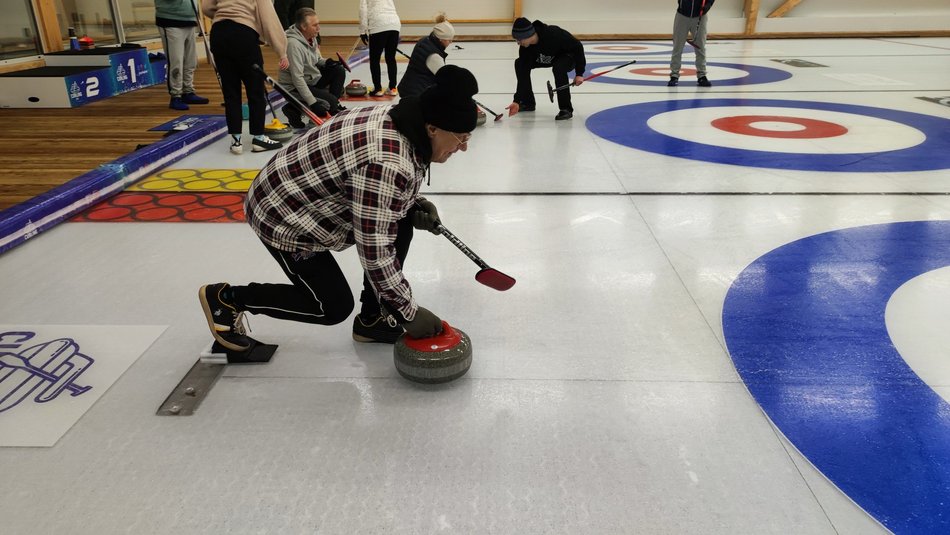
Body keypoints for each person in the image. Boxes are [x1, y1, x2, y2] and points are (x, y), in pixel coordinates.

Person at [198, 65, 480, 352]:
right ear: (432, 128)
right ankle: (228, 299)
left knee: (402, 220)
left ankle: (372, 318)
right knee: (331, 307)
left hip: (307, 193)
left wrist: (414, 202)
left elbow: (375, 186)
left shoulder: (407, 119)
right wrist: (408, 312)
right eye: (461, 138)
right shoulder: (386, 163)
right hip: (282, 213)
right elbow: (375, 250)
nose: (463, 147)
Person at [201, 0, 290, 155]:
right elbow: (268, 18)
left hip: (218, 33)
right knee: (255, 90)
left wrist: (224, 14)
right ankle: (259, 137)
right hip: (243, 33)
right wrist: (282, 50)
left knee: (230, 92)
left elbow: (206, 7)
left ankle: (236, 141)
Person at [505, 17, 586, 121]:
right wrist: (516, 100)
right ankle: (527, 102)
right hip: (546, 59)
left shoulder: (553, 33)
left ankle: (566, 109)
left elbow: (577, 47)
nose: (517, 43)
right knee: (520, 63)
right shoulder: (525, 49)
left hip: (566, 57)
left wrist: (579, 73)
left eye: (519, 39)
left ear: (528, 35)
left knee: (559, 67)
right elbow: (522, 78)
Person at [278, 8, 347, 129]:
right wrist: (313, 103)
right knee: (328, 103)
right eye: (315, 25)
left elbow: (317, 60)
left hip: (310, 79)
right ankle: (293, 109)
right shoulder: (293, 45)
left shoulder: (311, 36)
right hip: (294, 87)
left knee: (338, 70)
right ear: (304, 27)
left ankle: (332, 107)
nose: (319, 28)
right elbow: (297, 78)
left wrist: (329, 62)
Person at [155, 0, 210, 110]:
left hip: (189, 20)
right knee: (176, 61)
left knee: (190, 61)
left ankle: (188, 91)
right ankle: (176, 95)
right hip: (171, 21)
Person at [396, 13, 454, 99]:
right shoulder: (434, 56)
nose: (451, 42)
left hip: (407, 88)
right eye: (449, 40)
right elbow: (445, 79)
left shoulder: (425, 40)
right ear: (441, 39)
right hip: (417, 95)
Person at [359, 0, 401, 97]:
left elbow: (362, 10)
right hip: (394, 24)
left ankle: (377, 89)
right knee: (391, 58)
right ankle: (393, 88)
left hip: (377, 24)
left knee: (374, 59)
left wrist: (362, 31)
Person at [668, 0, 714, 87]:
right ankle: (674, 75)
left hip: (700, 16)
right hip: (682, 15)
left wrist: (708, 5)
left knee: (700, 47)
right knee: (677, 47)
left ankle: (702, 75)